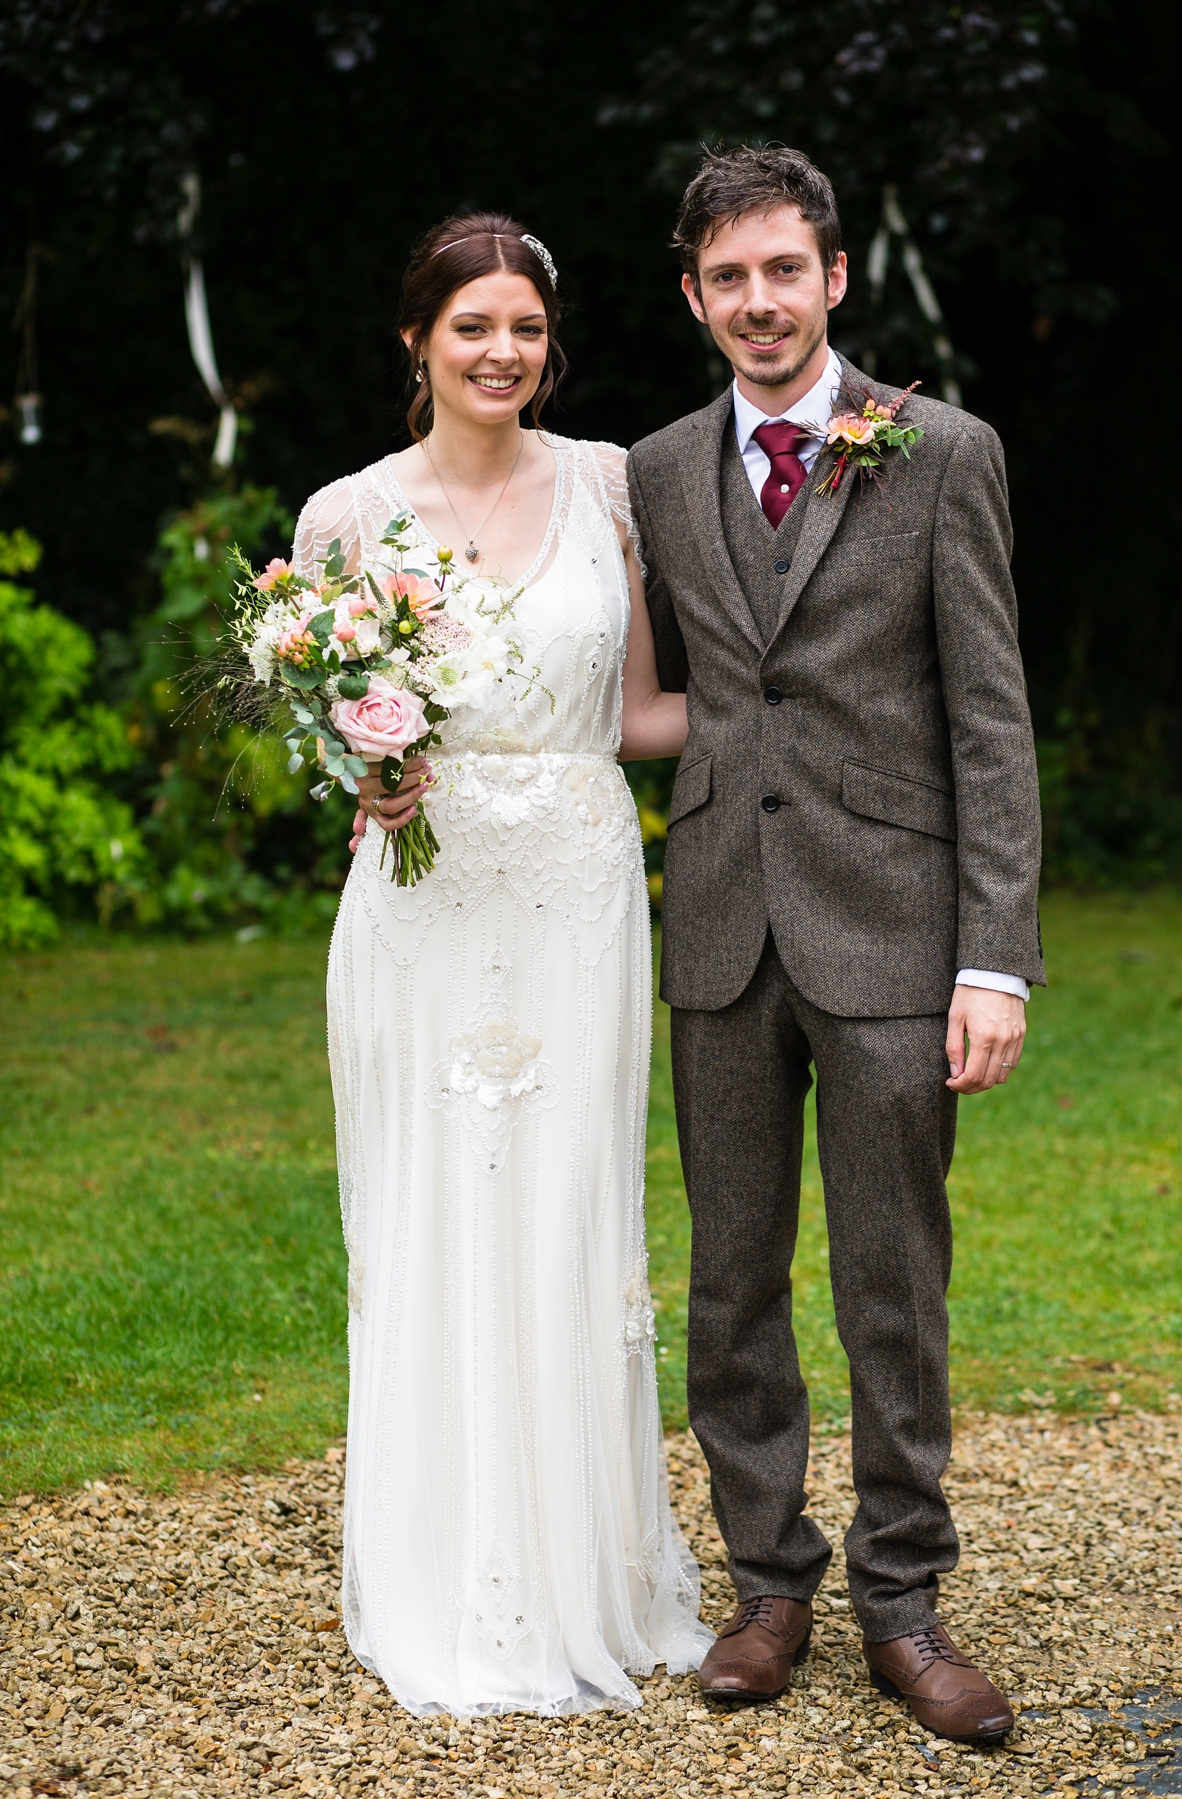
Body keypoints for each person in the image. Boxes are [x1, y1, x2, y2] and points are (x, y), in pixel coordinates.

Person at [626, 146, 1044, 1742]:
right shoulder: (658, 472)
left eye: (781, 271)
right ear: (694, 295)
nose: (756, 303)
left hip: (894, 933)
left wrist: (991, 957)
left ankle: (906, 1601)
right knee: (730, 1282)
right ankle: (770, 1583)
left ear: (835, 278)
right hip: (722, 929)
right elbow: (641, 686)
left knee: (892, 1282)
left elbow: (992, 722)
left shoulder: (942, 452)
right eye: (727, 278)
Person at [292, 211, 710, 1718]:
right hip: (425, 905)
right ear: (418, 339)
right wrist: (371, 780)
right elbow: (336, 735)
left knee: (570, 1220)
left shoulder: (610, 486)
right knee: (433, 1215)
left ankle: (583, 1570)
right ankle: (441, 1575)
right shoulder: (345, 518)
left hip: (584, 894)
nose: (501, 352)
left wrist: (800, 712)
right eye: (472, 325)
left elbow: (641, 713)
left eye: (525, 328)